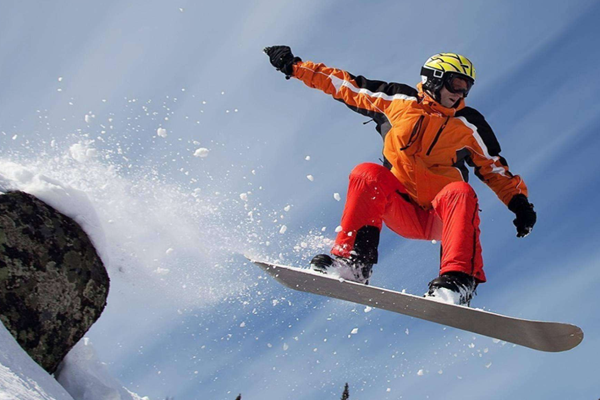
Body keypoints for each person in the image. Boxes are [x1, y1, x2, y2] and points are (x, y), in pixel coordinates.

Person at [264, 46, 536, 305]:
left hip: (442, 216)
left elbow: (494, 168)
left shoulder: (469, 123)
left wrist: (519, 204)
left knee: (461, 191)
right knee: (367, 173)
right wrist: (294, 66)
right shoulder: (397, 100)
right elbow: (345, 85)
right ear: (434, 79)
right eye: (456, 84)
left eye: (467, 87)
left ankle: (457, 282)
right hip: (401, 208)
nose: (461, 93)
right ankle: (354, 263)